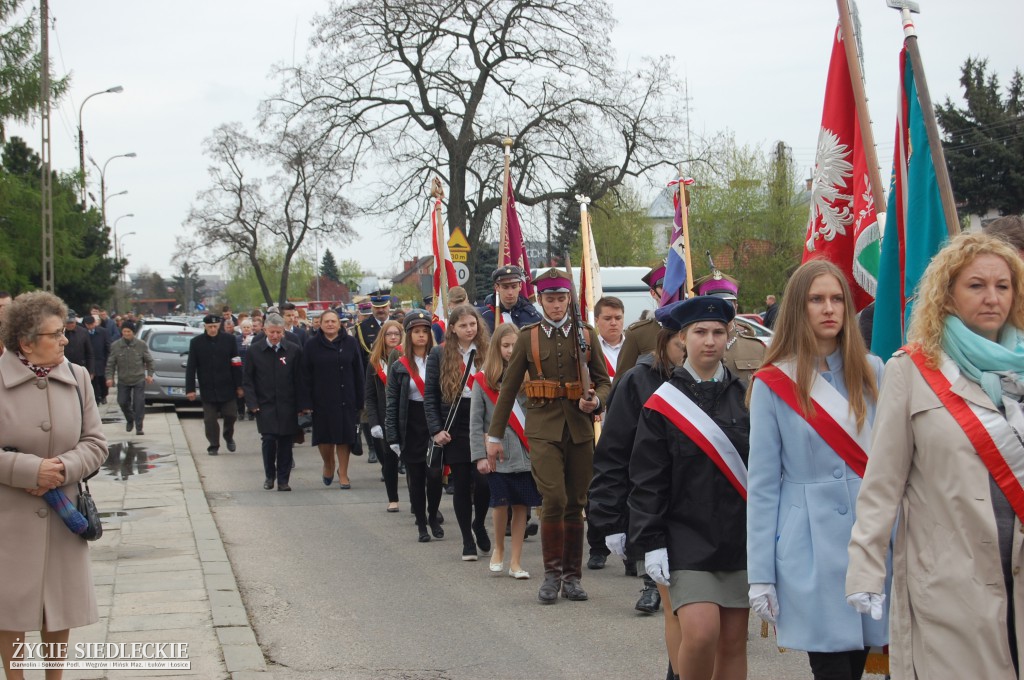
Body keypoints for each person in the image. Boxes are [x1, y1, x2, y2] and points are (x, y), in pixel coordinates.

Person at [847, 232, 1024, 680]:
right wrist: (866, 568)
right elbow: (882, 485)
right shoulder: (913, 370)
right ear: (946, 295)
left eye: (1003, 286)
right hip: (951, 582)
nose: (992, 298)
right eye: (976, 285)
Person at [747, 259, 886, 680]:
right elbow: (764, 486)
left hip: (869, 542)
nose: (829, 308)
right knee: (832, 671)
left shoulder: (875, 372)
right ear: (798, 308)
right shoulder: (773, 383)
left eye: (837, 298)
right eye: (816, 299)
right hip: (807, 547)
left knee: (860, 663)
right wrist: (761, 575)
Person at [628, 296, 750, 680]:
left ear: (728, 337)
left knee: (733, 642)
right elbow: (648, 477)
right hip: (685, 536)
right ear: (682, 338)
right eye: (700, 332)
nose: (709, 340)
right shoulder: (663, 403)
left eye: (718, 332)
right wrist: (651, 541)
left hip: (738, 536)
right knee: (700, 634)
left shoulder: (746, 396)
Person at [487, 267, 611, 604]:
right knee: (553, 499)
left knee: (576, 503)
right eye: (549, 299)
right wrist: (494, 436)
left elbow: (604, 381)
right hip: (543, 430)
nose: (556, 305)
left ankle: (572, 577)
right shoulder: (529, 336)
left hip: (580, 429)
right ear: (540, 300)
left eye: (561, 298)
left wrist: (596, 400)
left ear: (569, 299)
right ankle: (551, 575)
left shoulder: (586, 334)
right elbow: (509, 388)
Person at [0, 291, 107, 679]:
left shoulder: (77, 377)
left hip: (64, 516)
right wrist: (28, 470)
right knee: (9, 609)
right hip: (8, 519)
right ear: (26, 342)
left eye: (65, 332)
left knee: (58, 606)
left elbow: (96, 443)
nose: (66, 340)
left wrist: (62, 468)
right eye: (56, 334)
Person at [590, 301, 690, 637]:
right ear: (666, 341)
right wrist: (610, 519)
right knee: (680, 621)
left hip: (703, 509)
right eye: (684, 342)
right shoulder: (638, 381)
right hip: (650, 497)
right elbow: (613, 454)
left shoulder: (721, 382)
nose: (696, 349)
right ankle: (650, 584)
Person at [470, 323, 542, 578]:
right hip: (497, 455)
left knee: (523, 506)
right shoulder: (483, 378)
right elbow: (476, 420)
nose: (511, 350)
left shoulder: (530, 375)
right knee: (500, 504)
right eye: (506, 345)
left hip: (525, 453)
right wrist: (479, 454)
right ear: (496, 348)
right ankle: (499, 548)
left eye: (515, 345)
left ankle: (516, 561)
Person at [426, 304, 491, 561]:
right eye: (463, 325)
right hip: (454, 421)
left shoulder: (487, 350)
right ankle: (467, 539)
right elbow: (430, 395)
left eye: (472, 324)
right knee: (462, 482)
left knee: (484, 481)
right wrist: (436, 430)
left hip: (482, 419)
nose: (469, 329)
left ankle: (480, 523)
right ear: (452, 328)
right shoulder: (439, 354)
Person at [385, 311, 444, 542]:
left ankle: (432, 514)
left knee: (435, 475)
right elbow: (391, 402)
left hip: (433, 423)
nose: (421, 336)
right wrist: (392, 437)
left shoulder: (438, 358)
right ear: (408, 336)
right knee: (416, 477)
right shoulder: (400, 364)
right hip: (410, 423)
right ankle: (421, 523)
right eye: (416, 332)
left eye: (425, 331)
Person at [300, 308, 364, 488]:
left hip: (347, 398)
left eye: (333, 321)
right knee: (325, 439)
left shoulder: (350, 343)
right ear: (320, 324)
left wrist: (361, 400)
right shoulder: (311, 345)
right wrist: (305, 402)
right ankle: (329, 464)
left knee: (345, 438)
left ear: (339, 324)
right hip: (322, 400)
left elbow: (358, 372)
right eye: (326, 321)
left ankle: (343, 474)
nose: (330, 324)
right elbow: (304, 375)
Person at [586, 295, 627, 570]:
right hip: (597, 422)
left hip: (626, 423)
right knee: (597, 487)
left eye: (618, 318)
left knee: (627, 486)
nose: (613, 323)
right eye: (608, 319)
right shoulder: (587, 347)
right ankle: (597, 546)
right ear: (597, 320)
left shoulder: (632, 346)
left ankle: (629, 551)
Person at [243, 313, 304, 491]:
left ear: (283, 331)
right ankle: (270, 475)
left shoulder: (293, 350)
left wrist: (302, 405)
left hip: (288, 404)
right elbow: (248, 379)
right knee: (269, 440)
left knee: (285, 442)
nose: (275, 336)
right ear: (265, 331)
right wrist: (252, 403)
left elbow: (300, 379)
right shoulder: (255, 350)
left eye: (278, 332)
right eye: (272, 332)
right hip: (264, 405)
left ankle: (283, 480)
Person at [691, 266, 766, 382]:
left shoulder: (758, 349)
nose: (721, 309)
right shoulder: (690, 347)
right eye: (714, 304)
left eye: (727, 304)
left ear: (735, 307)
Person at [186, 314, 243, 455]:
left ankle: (228, 436)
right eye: (210, 326)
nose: (212, 329)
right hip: (208, 387)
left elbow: (236, 363)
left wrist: (240, 385)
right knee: (210, 420)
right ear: (205, 326)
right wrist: (190, 389)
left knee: (231, 415)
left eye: (215, 326)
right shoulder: (196, 342)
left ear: (219, 326)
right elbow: (191, 367)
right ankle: (213, 444)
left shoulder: (229, 340)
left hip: (227, 385)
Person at [365, 319, 405, 512]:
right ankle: (393, 499)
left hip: (406, 416)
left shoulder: (408, 359)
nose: (393, 337)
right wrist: (373, 422)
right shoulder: (374, 363)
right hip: (384, 417)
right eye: (389, 334)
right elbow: (370, 396)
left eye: (396, 334)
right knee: (389, 459)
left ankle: (417, 500)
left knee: (412, 459)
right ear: (383, 337)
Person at [105, 321, 155, 435]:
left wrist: (150, 375)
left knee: (138, 403)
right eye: (124, 331)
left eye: (128, 331)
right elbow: (110, 364)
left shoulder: (141, 345)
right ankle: (129, 419)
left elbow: (149, 361)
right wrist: (109, 377)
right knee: (122, 401)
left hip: (138, 379)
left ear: (133, 332)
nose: (126, 334)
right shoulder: (116, 346)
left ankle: (139, 427)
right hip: (123, 379)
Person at [616, 264, 666, 375]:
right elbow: (622, 381)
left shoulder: (694, 328)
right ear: (653, 293)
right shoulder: (638, 334)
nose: (671, 290)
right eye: (664, 287)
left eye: (675, 285)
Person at [480, 265, 542, 332]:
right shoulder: (483, 316)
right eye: (505, 287)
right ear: (497, 287)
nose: (510, 292)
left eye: (514, 287)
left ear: (520, 286)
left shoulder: (534, 317)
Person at [84, 314, 111, 405]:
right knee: (93, 381)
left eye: (91, 324)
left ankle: (104, 395)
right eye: (88, 325)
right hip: (90, 360)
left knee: (102, 379)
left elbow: (108, 346)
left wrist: (108, 359)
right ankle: (96, 398)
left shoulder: (103, 332)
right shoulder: (84, 333)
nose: (90, 327)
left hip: (101, 359)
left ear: (94, 323)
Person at [237, 318, 256, 420]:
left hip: (251, 368)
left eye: (248, 327)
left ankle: (251, 411)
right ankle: (240, 411)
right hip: (240, 367)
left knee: (250, 390)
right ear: (241, 328)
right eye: (244, 327)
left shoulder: (255, 339)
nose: (246, 329)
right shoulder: (237, 339)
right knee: (240, 390)